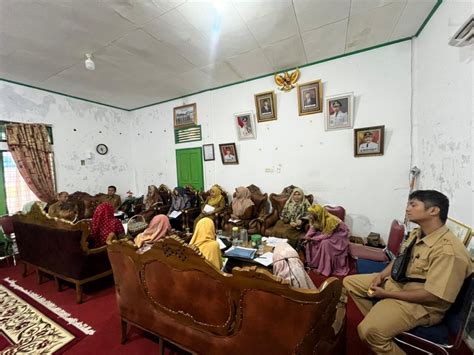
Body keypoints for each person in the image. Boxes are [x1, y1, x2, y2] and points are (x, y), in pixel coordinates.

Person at [343, 190, 472, 355]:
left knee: (368, 332)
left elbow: (433, 296)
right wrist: (381, 276)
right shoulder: (418, 234)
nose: (407, 209)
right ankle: (383, 322)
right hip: (399, 285)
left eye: (413, 204)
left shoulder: (449, 251)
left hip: (421, 305)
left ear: (434, 210)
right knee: (349, 283)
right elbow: (399, 261)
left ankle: (378, 331)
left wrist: (388, 295)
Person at [303, 204, 349, 276]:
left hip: (339, 235)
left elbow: (327, 235)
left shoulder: (330, 220)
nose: (310, 216)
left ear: (317, 214)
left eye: (311, 214)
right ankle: (316, 264)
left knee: (325, 243)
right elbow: (312, 229)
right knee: (311, 242)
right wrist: (306, 237)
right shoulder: (315, 218)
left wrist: (313, 238)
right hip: (327, 232)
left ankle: (323, 269)